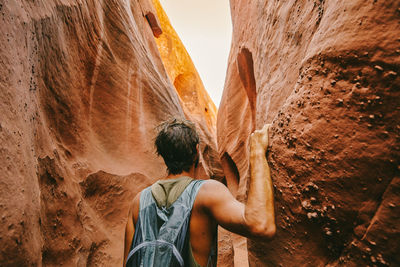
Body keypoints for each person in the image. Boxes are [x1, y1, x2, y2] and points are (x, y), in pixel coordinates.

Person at [123, 118, 275, 267]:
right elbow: (261, 226)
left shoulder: (139, 201)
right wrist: (257, 153)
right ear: (196, 151)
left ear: (162, 155)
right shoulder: (207, 192)